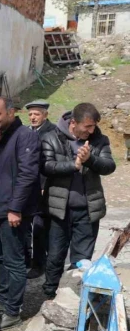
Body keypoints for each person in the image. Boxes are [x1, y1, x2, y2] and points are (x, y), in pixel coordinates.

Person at [0, 97, 40, 331]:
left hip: (13, 212)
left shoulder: (25, 135)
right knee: (0, 256)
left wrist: (15, 208)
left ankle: (13, 310)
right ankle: (2, 300)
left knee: (14, 262)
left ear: (11, 112)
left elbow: (27, 175)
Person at [41, 103, 115, 298]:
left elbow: (109, 166)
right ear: (73, 122)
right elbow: (47, 166)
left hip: (88, 210)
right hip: (59, 210)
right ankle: (50, 293)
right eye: (87, 127)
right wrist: (73, 165)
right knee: (55, 255)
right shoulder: (52, 137)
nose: (91, 131)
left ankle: (75, 297)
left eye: (93, 127)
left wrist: (90, 159)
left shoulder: (99, 140)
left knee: (82, 259)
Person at [25, 99, 56, 279]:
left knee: (39, 226)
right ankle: (27, 258)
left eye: (36, 114)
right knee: (26, 225)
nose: (33, 117)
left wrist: (44, 185)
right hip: (28, 186)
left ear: (45, 115)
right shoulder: (28, 132)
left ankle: (39, 264)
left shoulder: (52, 132)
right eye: (30, 114)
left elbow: (49, 163)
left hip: (43, 187)